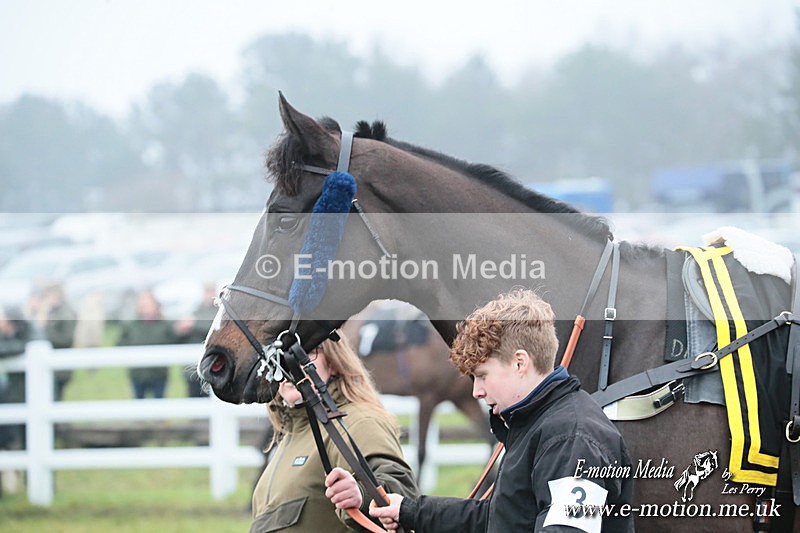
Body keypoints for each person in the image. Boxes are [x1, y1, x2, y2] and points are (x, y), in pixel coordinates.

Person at [330, 288, 634, 532]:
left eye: (482, 375)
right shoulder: (539, 423)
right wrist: (408, 510)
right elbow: (499, 518)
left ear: (519, 363)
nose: (476, 391)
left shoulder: (572, 439)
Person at [250, 333, 420, 532]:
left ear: (333, 362)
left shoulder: (358, 422)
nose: (290, 364)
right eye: (280, 356)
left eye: (307, 351)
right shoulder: (292, 437)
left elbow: (402, 492)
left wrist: (362, 496)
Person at [118, 290, 187, 399]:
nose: (146, 309)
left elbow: (174, 342)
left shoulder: (165, 325)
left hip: (159, 374)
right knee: (138, 403)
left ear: (155, 306)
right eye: (143, 305)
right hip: (137, 375)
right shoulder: (132, 326)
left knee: (159, 401)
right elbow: (120, 344)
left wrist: (180, 331)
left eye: (149, 305)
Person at [33, 282, 77, 400]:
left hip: (60, 367)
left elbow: (66, 339)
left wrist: (45, 327)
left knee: (55, 397)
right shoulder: (53, 312)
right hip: (54, 365)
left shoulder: (66, 314)